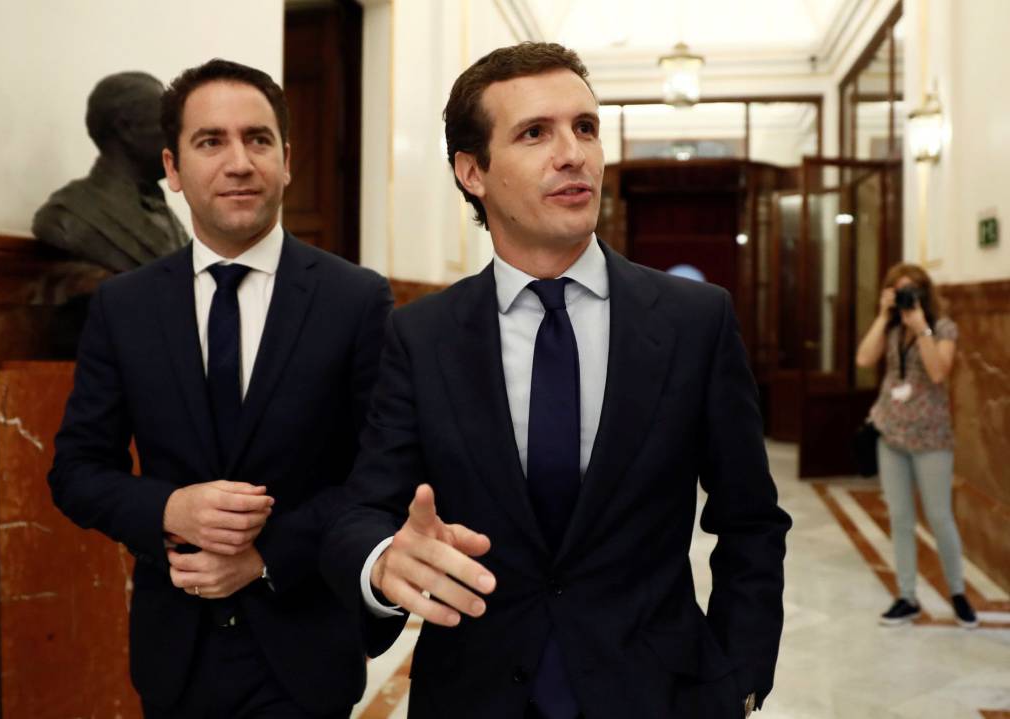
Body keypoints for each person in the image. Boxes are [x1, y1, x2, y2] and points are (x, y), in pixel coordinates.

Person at [321, 42, 791, 719]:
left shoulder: (695, 320)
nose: (573, 152)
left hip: (656, 694)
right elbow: (363, 508)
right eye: (535, 132)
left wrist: (739, 678)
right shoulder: (423, 336)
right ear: (472, 171)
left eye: (586, 127)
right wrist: (382, 562)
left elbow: (750, 519)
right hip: (476, 696)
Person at [48, 59, 396, 718]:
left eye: (257, 140)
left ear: (286, 160)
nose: (238, 162)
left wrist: (266, 555)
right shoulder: (124, 306)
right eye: (211, 142)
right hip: (176, 651)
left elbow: (380, 475)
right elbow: (76, 470)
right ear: (173, 169)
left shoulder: (355, 299)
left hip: (306, 649)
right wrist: (168, 510)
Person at [856, 263, 978, 629]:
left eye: (911, 290)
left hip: (931, 437)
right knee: (900, 518)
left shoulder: (942, 328)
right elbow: (864, 359)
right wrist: (883, 315)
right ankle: (906, 596)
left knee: (940, 517)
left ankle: (957, 592)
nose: (905, 296)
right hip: (892, 433)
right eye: (898, 290)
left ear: (925, 292)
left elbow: (939, 371)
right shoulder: (891, 328)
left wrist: (920, 326)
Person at [32, 71, 190, 272]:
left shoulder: (160, 209)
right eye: (166, 127)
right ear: (126, 129)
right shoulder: (67, 217)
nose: (178, 141)